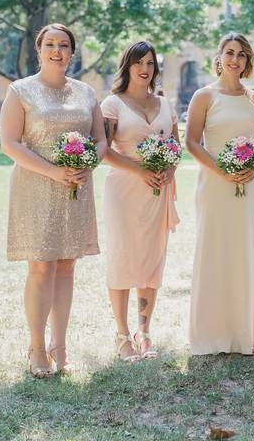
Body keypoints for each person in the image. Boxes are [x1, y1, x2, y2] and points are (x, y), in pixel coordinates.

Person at [0, 23, 106, 377]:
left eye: (63, 45)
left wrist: (87, 164)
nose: (57, 50)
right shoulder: (21, 91)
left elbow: (101, 140)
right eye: (50, 44)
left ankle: (60, 344)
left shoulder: (87, 94)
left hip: (76, 186)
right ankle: (36, 345)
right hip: (36, 186)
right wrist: (53, 171)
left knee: (67, 265)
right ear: (39, 49)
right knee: (41, 265)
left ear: (72, 53)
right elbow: (10, 144)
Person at [185, 33, 254, 355]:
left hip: (250, 185)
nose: (235, 59)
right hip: (215, 184)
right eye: (229, 53)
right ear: (219, 57)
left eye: (241, 54)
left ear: (247, 61)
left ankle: (245, 331)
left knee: (246, 250)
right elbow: (192, 142)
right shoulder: (204, 96)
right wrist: (223, 171)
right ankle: (214, 333)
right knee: (216, 250)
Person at [101, 41, 180, 362]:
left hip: (157, 192)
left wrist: (168, 171)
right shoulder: (112, 104)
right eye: (138, 63)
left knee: (151, 261)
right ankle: (122, 335)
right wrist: (140, 168)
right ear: (127, 67)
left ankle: (144, 331)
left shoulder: (165, 104)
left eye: (150, 63)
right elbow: (103, 150)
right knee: (122, 257)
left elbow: (176, 146)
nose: (145, 69)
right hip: (123, 192)